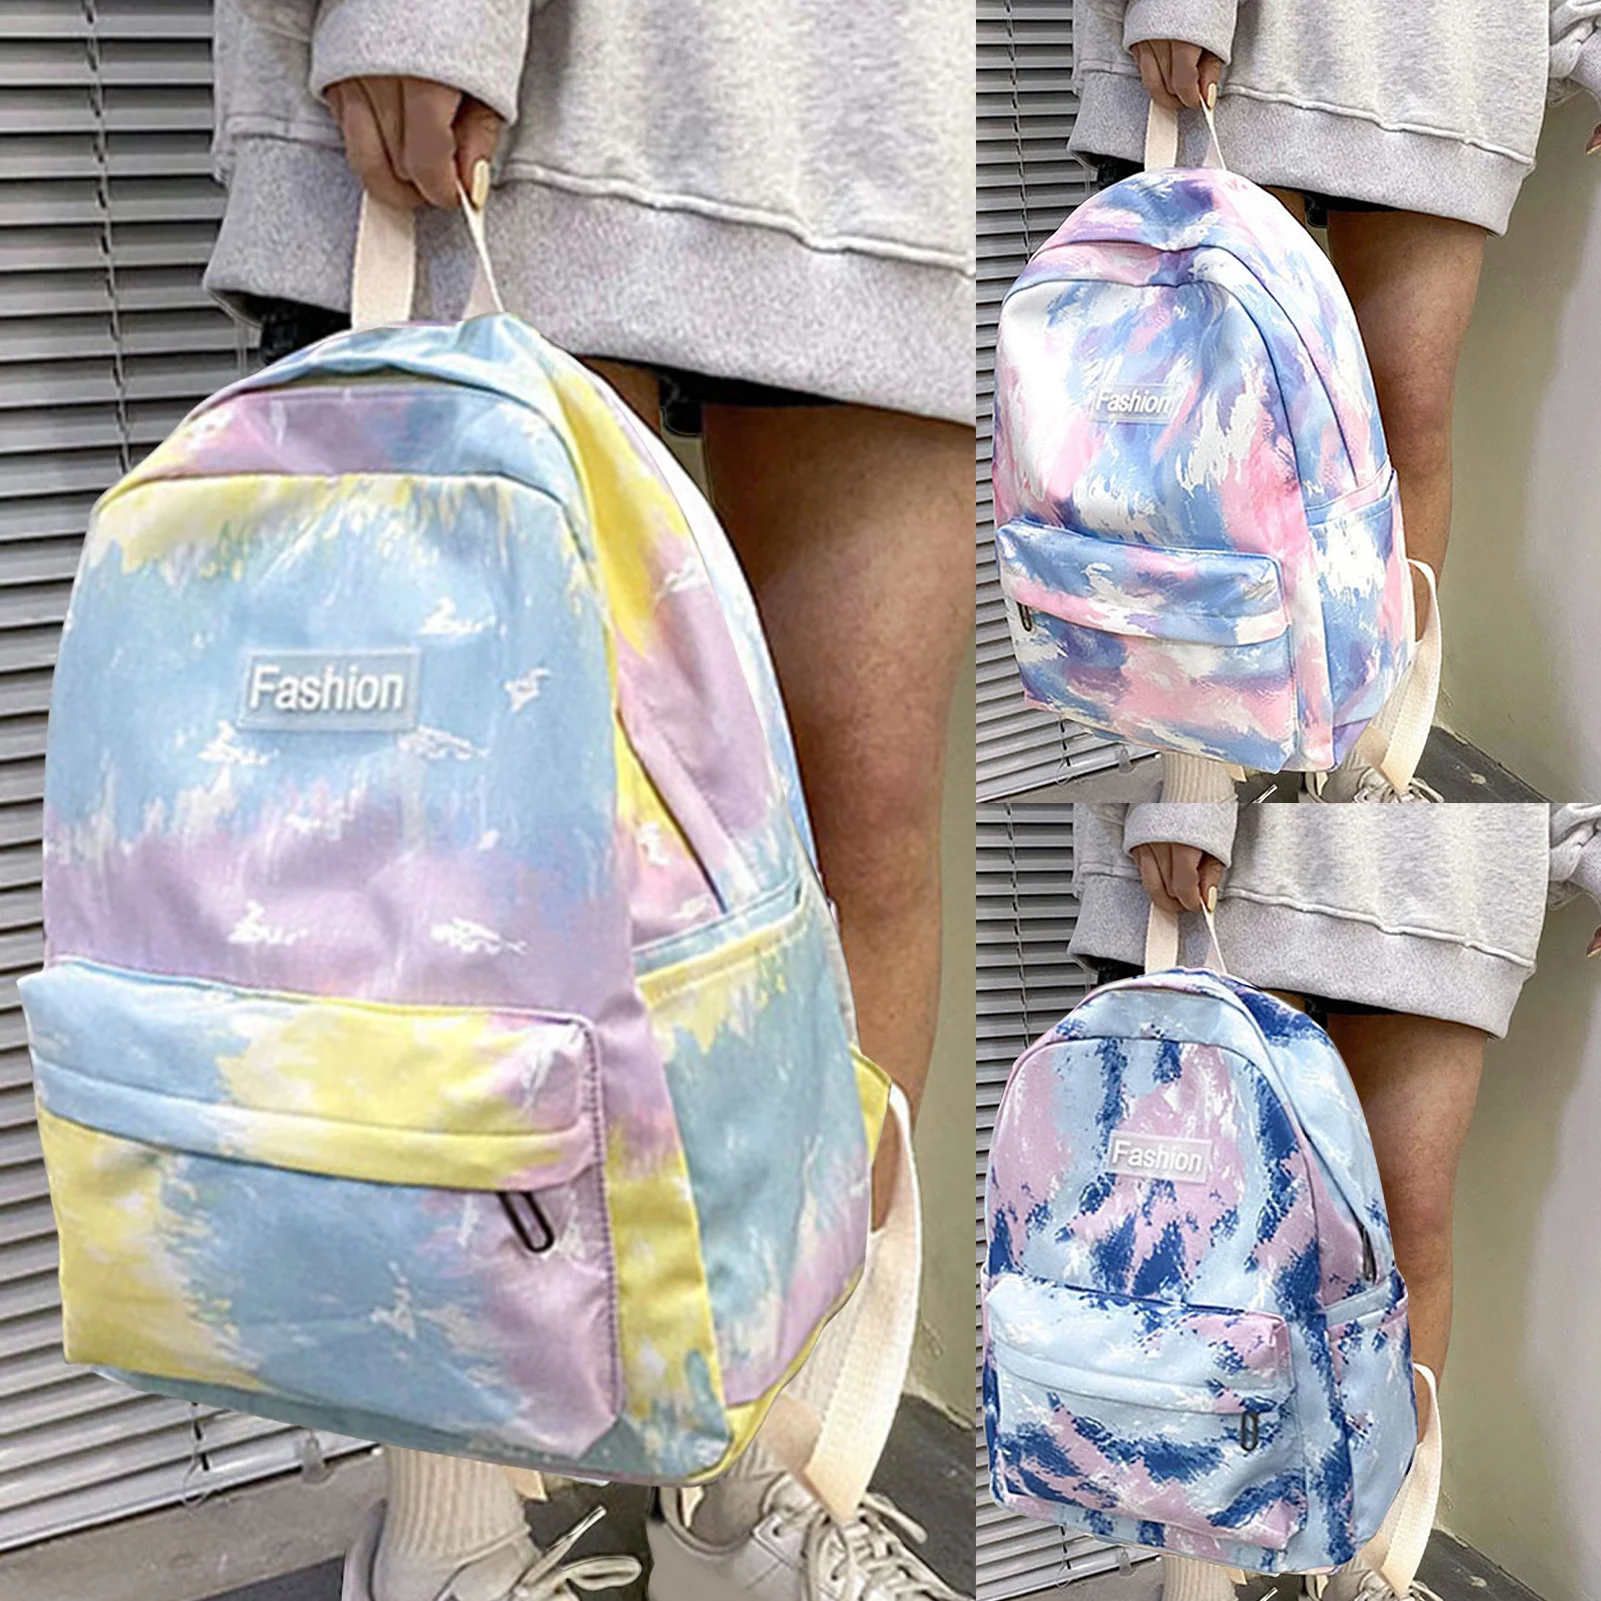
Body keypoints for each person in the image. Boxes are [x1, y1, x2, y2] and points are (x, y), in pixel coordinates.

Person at [205, 4, 974, 1599]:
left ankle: (754, 1490)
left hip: (861, 102)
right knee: (449, 847)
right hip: (540, 82)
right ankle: (450, 1543)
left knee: (850, 838)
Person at [1069, 788, 1601, 1601]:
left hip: (1436, 879)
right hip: (1237, 862)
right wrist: (1185, 783)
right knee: (1200, 1252)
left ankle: (1364, 1560)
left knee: (1399, 1242)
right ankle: (1196, 1578)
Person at [1069, 0, 1601, 802]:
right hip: (1243, 44)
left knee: (1399, 430)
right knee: (1197, 434)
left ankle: (1364, 756)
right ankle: (1197, 771)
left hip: (1439, 53)